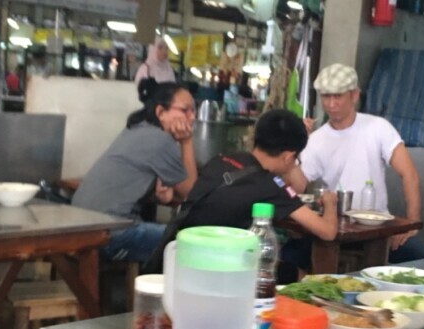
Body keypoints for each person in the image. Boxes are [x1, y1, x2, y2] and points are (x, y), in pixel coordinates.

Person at [144, 110, 336, 278]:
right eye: (295, 158)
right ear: (287, 156)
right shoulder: (270, 187)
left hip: (177, 257)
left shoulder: (222, 159)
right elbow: (327, 232)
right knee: (298, 274)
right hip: (217, 268)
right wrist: (330, 202)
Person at [286, 63, 424, 262]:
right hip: (334, 226)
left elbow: (409, 174)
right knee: (291, 256)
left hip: (378, 228)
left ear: (354, 95)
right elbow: (298, 185)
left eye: (338, 96)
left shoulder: (378, 127)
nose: (331, 103)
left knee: (423, 259)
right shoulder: (317, 139)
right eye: (326, 96)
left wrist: (412, 224)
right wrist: (296, 146)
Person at [73, 79, 198, 263]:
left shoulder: (137, 129)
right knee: (189, 246)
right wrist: (186, 142)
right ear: (160, 112)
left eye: (194, 110)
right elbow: (191, 192)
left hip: (83, 228)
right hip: (111, 235)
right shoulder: (159, 140)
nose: (192, 117)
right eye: (185, 110)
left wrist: (162, 194)